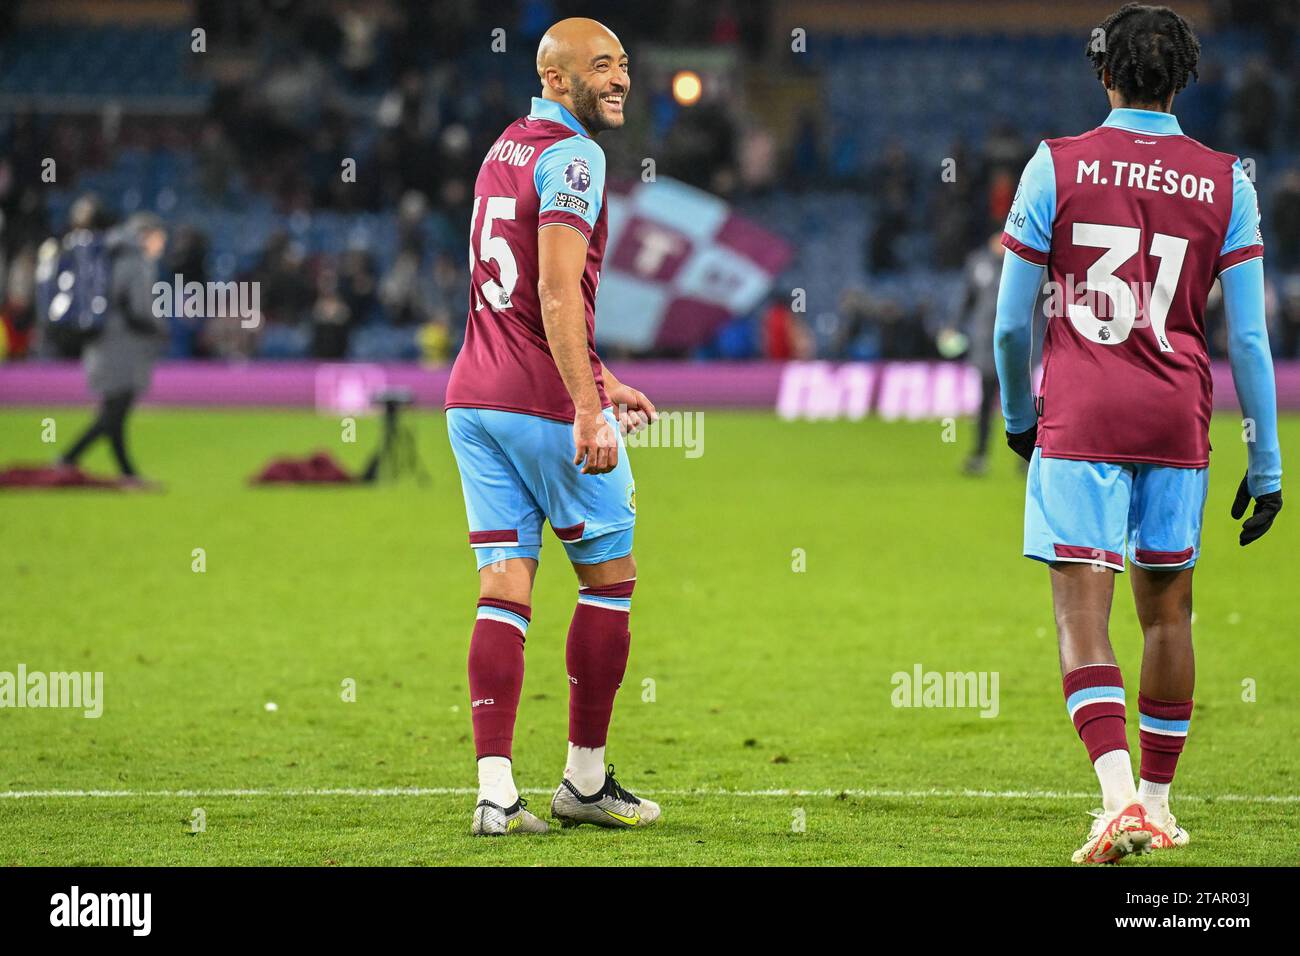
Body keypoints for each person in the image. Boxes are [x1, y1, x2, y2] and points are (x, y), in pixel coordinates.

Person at [994, 3, 1282, 864]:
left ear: (1103, 71)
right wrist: (1266, 464)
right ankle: (1159, 803)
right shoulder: (1229, 179)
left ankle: (1116, 799)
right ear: (1185, 77)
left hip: (1082, 412)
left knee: (1084, 612)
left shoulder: (1056, 164)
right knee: (1168, 614)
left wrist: (1019, 417)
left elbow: (1012, 326)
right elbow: (1253, 338)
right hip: (1175, 418)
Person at [443, 18, 661, 836]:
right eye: (602, 67)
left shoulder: (507, 145)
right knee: (609, 580)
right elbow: (558, 293)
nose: (621, 79)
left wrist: (602, 378)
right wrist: (586, 405)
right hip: (539, 404)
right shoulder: (578, 158)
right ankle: (584, 780)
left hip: (474, 398)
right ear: (558, 78)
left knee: (503, 590)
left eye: (625, 64)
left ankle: (495, 793)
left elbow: (518, 295)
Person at [58, 213, 168, 485]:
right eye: (158, 238)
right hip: (122, 346)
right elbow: (138, 308)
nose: (161, 245)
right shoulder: (135, 262)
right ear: (145, 235)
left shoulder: (111, 256)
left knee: (114, 412)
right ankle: (68, 459)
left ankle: (125, 472)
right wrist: (158, 328)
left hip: (106, 343)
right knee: (115, 412)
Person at [957, 231, 1006, 475]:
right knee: (985, 403)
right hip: (986, 345)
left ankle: (1028, 457)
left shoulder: (1024, 262)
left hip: (1018, 346)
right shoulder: (978, 262)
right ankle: (979, 455)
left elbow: (1041, 300)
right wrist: (954, 325)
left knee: (1022, 405)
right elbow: (966, 299)